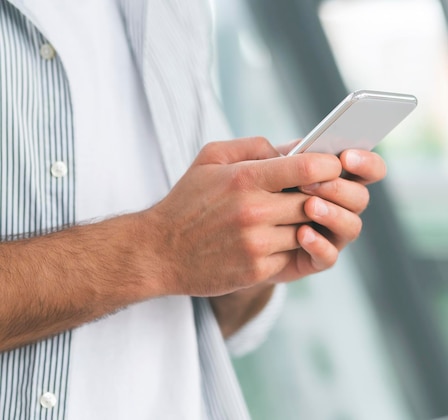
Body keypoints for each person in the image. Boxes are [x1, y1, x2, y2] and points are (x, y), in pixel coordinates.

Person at [0, 0, 386, 419]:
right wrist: (159, 250)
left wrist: (256, 251)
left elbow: (200, 323)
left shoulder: (174, 10)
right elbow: (174, 251)